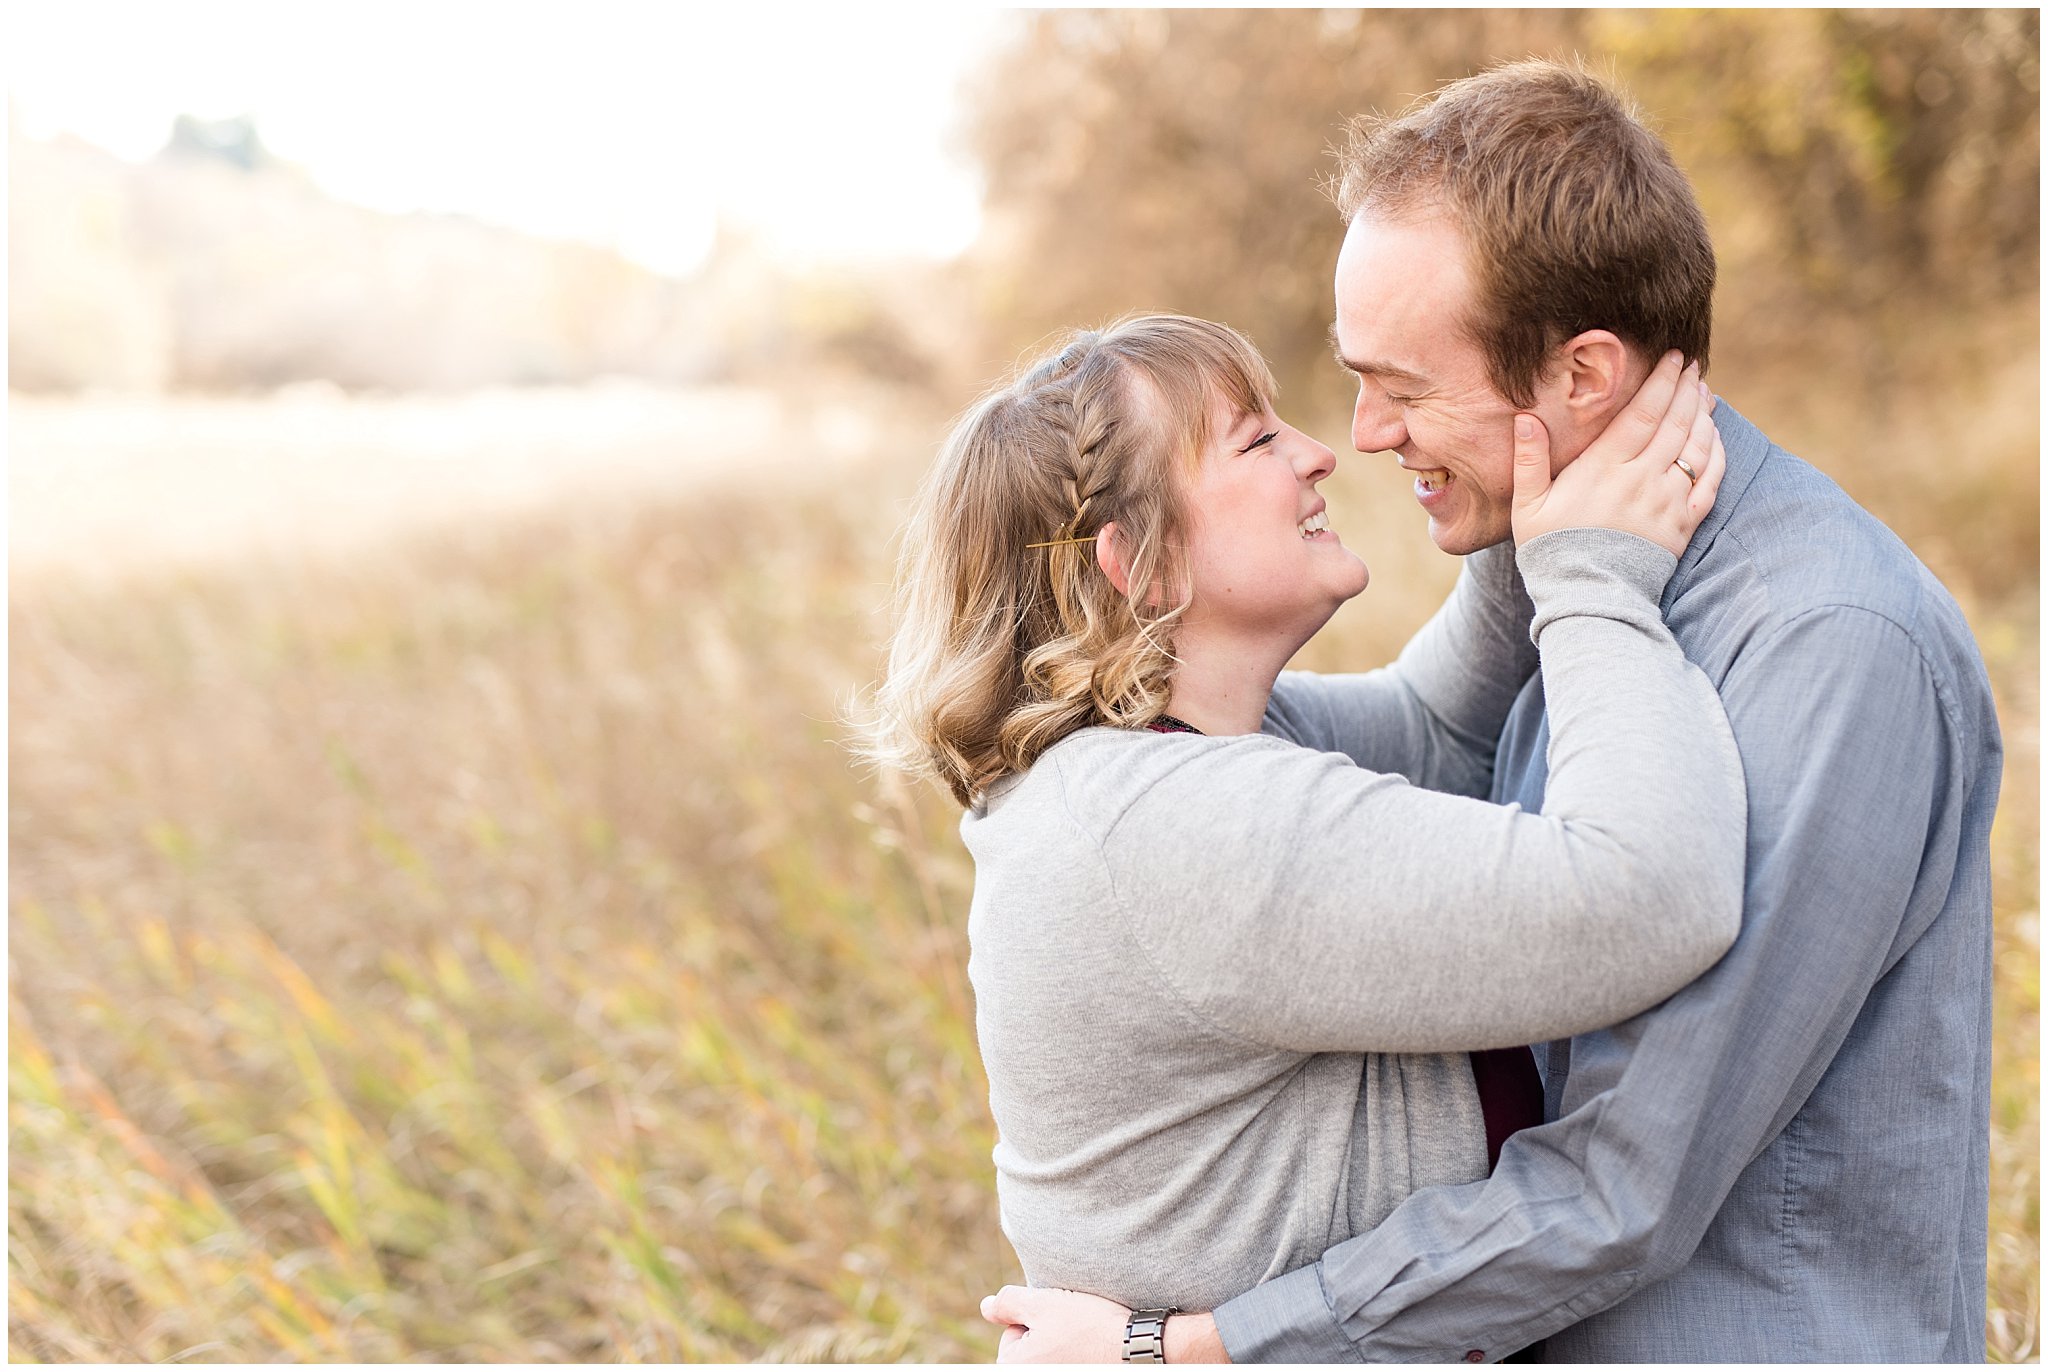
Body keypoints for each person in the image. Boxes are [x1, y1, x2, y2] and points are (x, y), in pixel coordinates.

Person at [983, 59, 2002, 1363]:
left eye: (1405, 388)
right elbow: (1422, 739)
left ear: (1582, 375)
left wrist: (1188, 1346)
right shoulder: (1556, 575)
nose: (1357, 437)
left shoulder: (1824, 644)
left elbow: (1624, 1189)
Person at [866, 308, 1741, 1354]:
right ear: (1137, 563)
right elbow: (1648, 897)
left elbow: (1438, 728)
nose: (1319, 453)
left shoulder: (1150, 761)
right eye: (1258, 440)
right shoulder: (1171, 827)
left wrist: (1523, 466)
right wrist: (1596, 577)